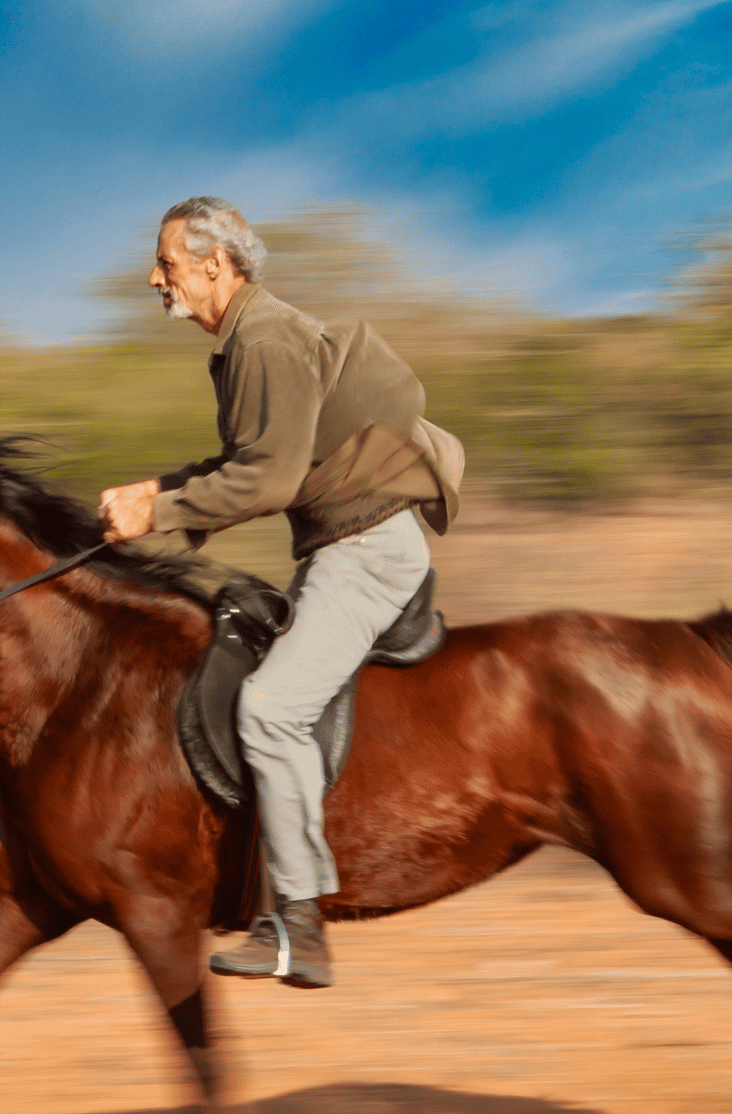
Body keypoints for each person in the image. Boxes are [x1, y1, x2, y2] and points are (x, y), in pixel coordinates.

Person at [97, 196, 463, 989]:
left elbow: (268, 478)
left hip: (363, 553)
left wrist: (159, 509)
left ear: (215, 266)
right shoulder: (246, 340)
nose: (153, 277)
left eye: (165, 263)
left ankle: (298, 923)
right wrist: (155, 492)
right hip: (338, 546)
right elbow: (254, 461)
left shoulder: (264, 339)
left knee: (269, 710)